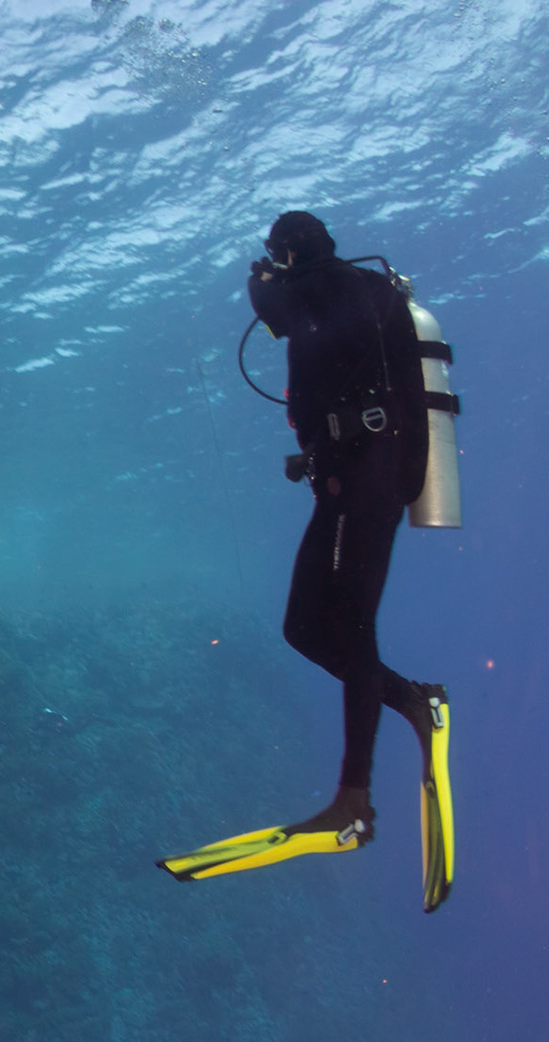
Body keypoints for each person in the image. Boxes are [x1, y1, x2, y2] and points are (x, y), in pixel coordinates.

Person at [160, 211, 453, 910]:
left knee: (349, 622)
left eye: (275, 255)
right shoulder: (347, 290)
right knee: (303, 626)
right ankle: (416, 701)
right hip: (351, 479)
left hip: (372, 477)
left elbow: (274, 309)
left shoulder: (330, 285)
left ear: (290, 251)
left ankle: (353, 803)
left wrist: (262, 279)